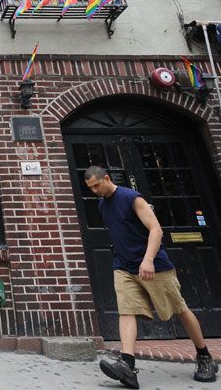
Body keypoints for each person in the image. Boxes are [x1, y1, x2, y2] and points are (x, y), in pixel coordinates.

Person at [84, 166, 217, 388]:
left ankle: (204, 357)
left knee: (180, 309)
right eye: (91, 188)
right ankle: (127, 365)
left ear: (106, 178)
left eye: (97, 185)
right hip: (123, 266)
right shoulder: (102, 204)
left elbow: (155, 229)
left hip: (153, 265)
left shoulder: (131, 197)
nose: (95, 190)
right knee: (126, 311)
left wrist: (147, 260)